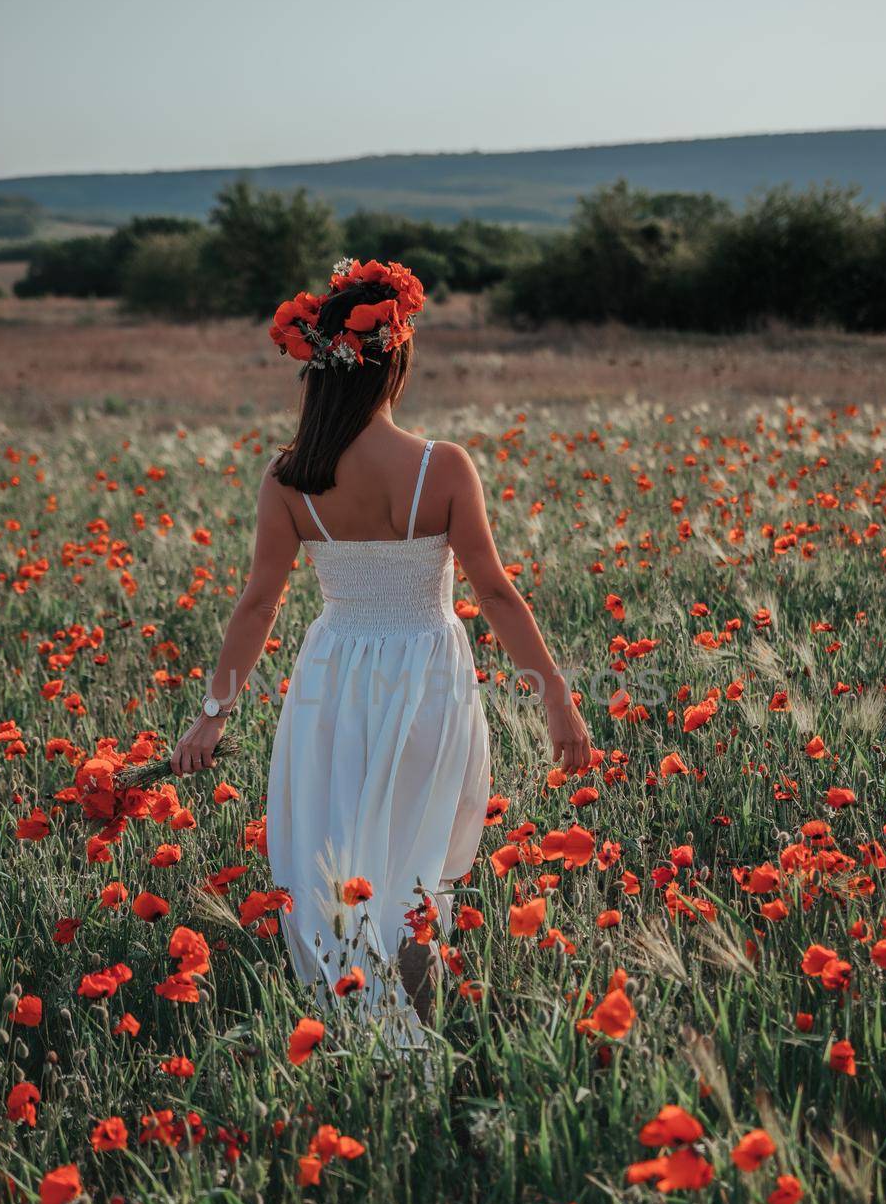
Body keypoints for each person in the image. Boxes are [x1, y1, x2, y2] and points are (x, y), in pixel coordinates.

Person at [170, 257, 592, 1052]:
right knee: (412, 866)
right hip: (427, 672)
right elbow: (496, 593)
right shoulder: (442, 465)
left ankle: (365, 1038)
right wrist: (556, 699)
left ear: (321, 369)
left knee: (340, 863)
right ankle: (416, 1033)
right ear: (393, 359)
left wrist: (211, 716)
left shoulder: (291, 476)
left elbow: (257, 603)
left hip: (333, 677)